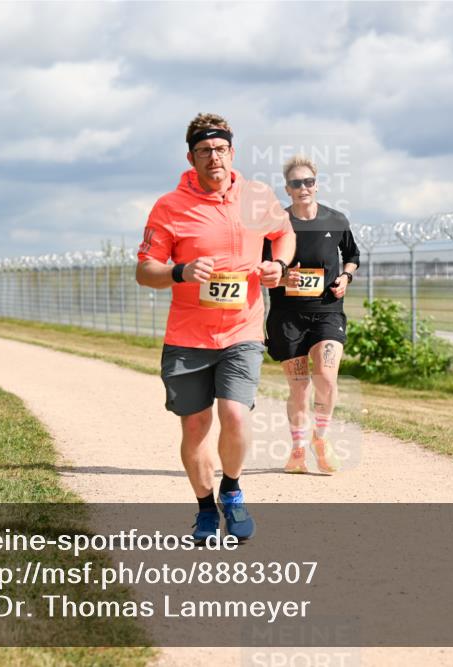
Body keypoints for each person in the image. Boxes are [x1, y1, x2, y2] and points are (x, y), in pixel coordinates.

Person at [136, 113, 295, 542]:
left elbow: (284, 233)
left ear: (232, 153)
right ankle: (205, 509)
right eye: (204, 151)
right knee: (194, 427)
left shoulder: (257, 196)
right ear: (191, 157)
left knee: (235, 415)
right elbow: (145, 271)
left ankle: (233, 490)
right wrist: (181, 271)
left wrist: (277, 264)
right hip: (187, 337)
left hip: (242, 330)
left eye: (221, 149)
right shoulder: (169, 207)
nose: (214, 158)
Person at [263, 155, 360, 474]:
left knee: (327, 378)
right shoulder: (277, 225)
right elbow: (263, 269)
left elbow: (352, 256)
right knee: (300, 387)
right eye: (295, 183)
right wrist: (282, 276)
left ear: (316, 185)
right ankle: (298, 450)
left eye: (308, 182)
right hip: (287, 317)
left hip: (327, 313)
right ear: (287, 189)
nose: (303, 187)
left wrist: (346, 277)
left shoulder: (335, 220)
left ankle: (321, 438)